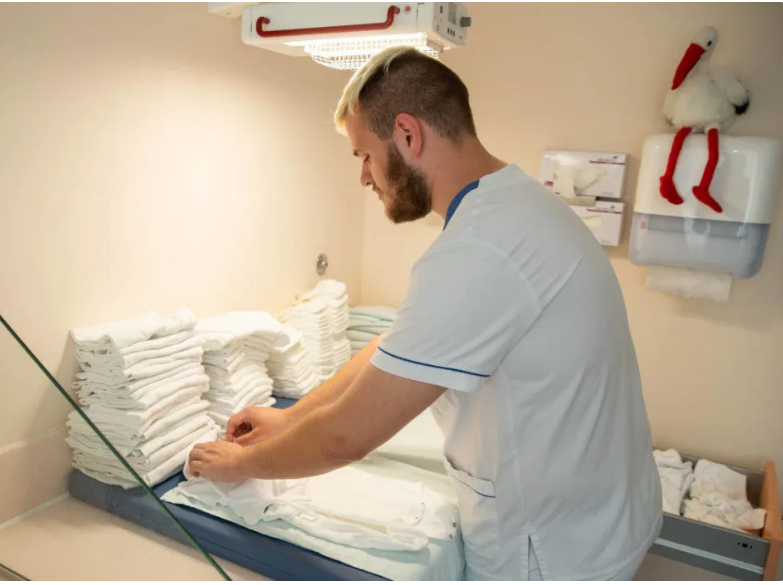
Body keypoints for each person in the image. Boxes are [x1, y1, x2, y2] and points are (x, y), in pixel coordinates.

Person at [189, 46, 662, 580]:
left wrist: (241, 464)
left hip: (553, 551)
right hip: (603, 513)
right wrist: (289, 418)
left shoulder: (480, 248)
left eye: (364, 155)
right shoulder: (518, 203)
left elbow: (346, 437)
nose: (364, 177)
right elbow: (395, 345)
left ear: (408, 135)